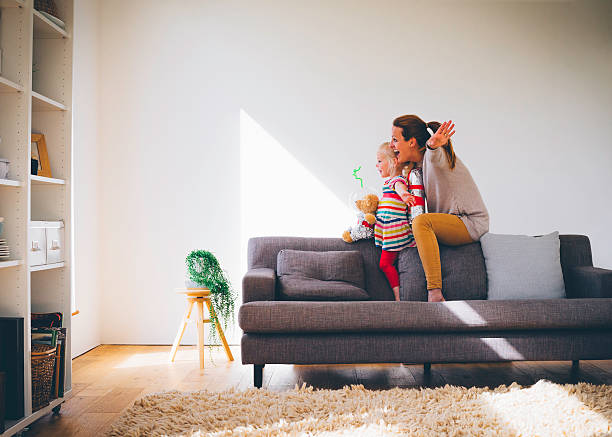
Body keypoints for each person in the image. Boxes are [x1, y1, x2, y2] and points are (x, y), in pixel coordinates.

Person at [391, 115, 489, 302]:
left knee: (421, 222)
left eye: (395, 140)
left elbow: (436, 155)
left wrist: (433, 145)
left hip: (470, 221)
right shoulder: (416, 169)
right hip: (454, 221)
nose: (391, 145)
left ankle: (434, 292)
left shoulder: (433, 156)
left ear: (412, 142)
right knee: (418, 222)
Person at [374, 142, 425, 301]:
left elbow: (400, 188)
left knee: (384, 264)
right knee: (386, 264)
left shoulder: (397, 180)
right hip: (388, 229)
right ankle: (397, 294)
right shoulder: (388, 182)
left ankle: (397, 296)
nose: (377, 165)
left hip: (394, 230)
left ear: (393, 162)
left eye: (380, 161)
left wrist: (404, 195)